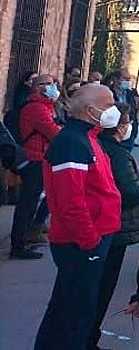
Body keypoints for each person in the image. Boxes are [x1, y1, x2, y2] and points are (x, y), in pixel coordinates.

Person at [30, 83, 122, 349]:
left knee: (65, 307)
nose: (113, 109)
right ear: (90, 110)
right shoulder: (72, 142)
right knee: (77, 314)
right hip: (81, 241)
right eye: (109, 104)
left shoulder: (86, 138)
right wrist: (89, 240)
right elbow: (70, 201)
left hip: (88, 238)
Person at [91, 103, 139, 350]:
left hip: (109, 225)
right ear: (121, 126)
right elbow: (130, 191)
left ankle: (87, 336)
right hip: (114, 227)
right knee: (101, 289)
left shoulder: (104, 147)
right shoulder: (117, 154)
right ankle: (88, 338)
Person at [10, 73, 60, 260]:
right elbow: (53, 133)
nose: (49, 87)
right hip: (34, 159)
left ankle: (24, 238)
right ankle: (19, 243)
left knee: (30, 202)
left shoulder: (45, 106)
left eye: (51, 83)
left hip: (40, 157)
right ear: (35, 87)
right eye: (44, 84)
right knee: (27, 203)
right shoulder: (37, 108)